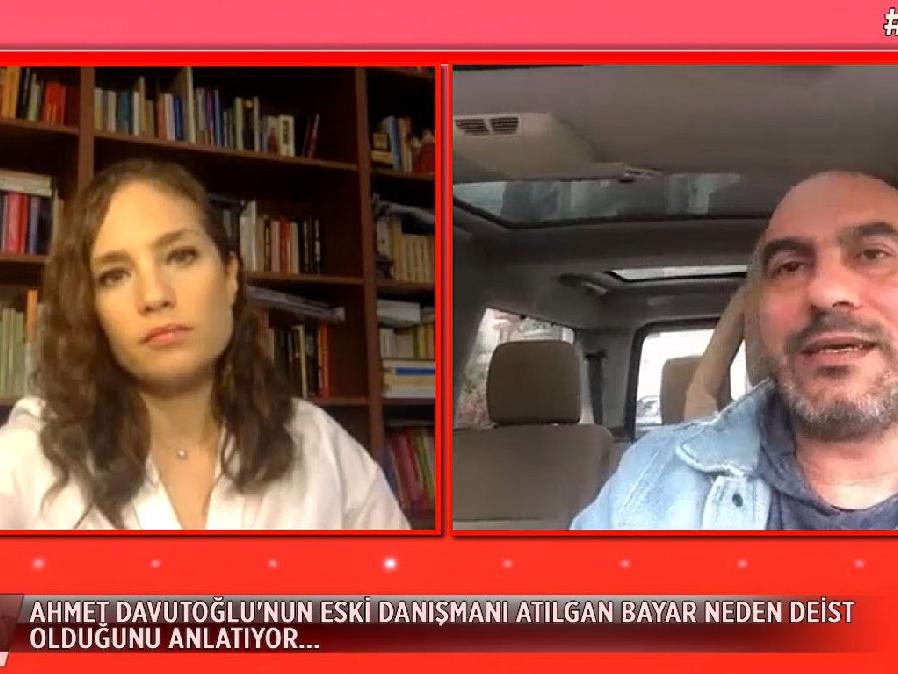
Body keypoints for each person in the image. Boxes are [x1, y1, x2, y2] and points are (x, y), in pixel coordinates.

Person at [0, 158, 408, 530]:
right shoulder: (26, 459)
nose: (154, 295)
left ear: (229, 275)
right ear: (91, 308)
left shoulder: (318, 446)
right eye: (114, 275)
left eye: (181, 256)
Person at [573, 171, 898, 530]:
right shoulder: (648, 483)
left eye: (874, 254)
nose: (825, 292)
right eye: (789, 267)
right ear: (760, 314)